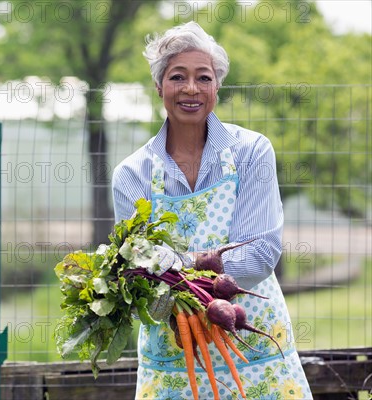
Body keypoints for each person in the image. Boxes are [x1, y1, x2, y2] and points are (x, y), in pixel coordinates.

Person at [111, 21, 312, 399]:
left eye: (203, 77)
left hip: (254, 345)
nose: (191, 89)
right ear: (159, 87)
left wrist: (175, 265)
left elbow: (259, 256)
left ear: (217, 86)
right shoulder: (131, 175)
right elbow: (139, 273)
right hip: (175, 351)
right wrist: (197, 268)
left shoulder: (251, 152)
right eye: (177, 77)